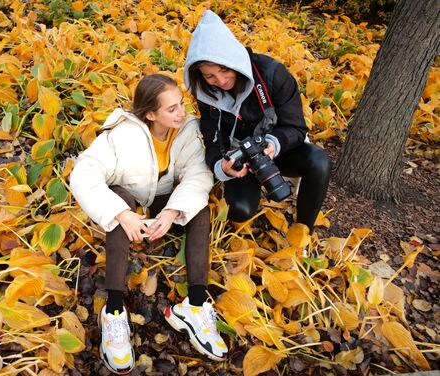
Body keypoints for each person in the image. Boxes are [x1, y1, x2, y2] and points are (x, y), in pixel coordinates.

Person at [70, 74, 228, 374]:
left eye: (181, 104)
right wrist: (122, 213)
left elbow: (198, 175)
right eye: (172, 109)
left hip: (161, 199)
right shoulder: (121, 134)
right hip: (130, 198)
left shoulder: (187, 130)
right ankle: (114, 309)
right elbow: (84, 173)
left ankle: (194, 305)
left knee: (199, 208)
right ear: (150, 114)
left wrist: (172, 212)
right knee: (119, 203)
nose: (182, 112)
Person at [184, 10, 331, 232]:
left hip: (278, 149)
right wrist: (222, 167)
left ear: (233, 59)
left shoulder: (272, 74)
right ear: (200, 76)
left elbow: (296, 128)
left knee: (319, 162)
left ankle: (303, 231)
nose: (221, 81)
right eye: (210, 76)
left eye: (224, 70)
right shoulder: (206, 93)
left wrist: (273, 144)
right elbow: (213, 142)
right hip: (240, 160)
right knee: (239, 210)